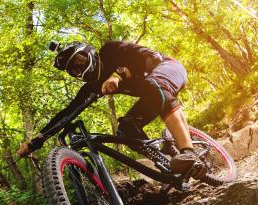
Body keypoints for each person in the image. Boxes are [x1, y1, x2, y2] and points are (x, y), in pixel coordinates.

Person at [17, 40, 206, 177]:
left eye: (80, 61)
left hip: (168, 68)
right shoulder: (91, 88)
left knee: (152, 85)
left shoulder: (112, 50)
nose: (79, 68)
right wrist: (35, 142)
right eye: (74, 70)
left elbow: (151, 58)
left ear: (89, 52)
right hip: (151, 94)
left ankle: (189, 152)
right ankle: (170, 160)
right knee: (126, 129)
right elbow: (66, 115)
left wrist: (119, 74)